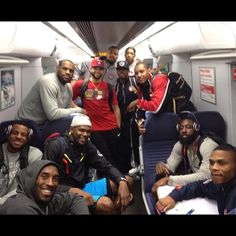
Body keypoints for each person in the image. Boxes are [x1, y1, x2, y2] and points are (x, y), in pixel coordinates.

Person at [43, 114, 133, 214]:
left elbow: (105, 166)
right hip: (62, 193)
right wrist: (74, 191)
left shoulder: (86, 145)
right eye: (81, 130)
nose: (85, 134)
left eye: (88, 131)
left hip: (82, 188)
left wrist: (122, 181)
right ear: (71, 129)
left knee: (127, 181)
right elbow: (45, 181)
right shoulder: (56, 145)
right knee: (106, 204)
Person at [151, 111, 219, 199]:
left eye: (188, 127)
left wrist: (170, 180)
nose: (183, 130)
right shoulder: (181, 145)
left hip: (212, 186)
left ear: (196, 128)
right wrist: (162, 165)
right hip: (197, 186)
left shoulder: (207, 145)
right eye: (181, 127)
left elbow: (206, 176)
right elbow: (170, 167)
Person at [72, 59, 124, 174]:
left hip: (111, 127)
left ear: (103, 71)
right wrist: (80, 110)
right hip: (94, 129)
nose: (97, 71)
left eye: (100, 69)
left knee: (117, 156)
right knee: (105, 157)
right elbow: (69, 99)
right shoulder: (81, 85)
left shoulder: (109, 87)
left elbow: (116, 107)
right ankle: (114, 181)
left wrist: (118, 127)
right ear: (90, 69)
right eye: (95, 68)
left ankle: (118, 180)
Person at [156, 144, 236, 215]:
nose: (214, 167)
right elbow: (199, 186)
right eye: (211, 163)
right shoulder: (220, 185)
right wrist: (173, 196)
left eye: (222, 163)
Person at [0, 160, 89, 214]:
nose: (51, 183)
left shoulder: (40, 199)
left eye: (55, 178)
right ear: (31, 179)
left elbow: (75, 199)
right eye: (44, 176)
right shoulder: (21, 208)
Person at [16, 59, 85, 129]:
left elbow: (67, 107)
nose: (68, 72)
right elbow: (52, 114)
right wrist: (79, 110)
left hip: (45, 123)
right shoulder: (48, 82)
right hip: (27, 124)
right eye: (65, 69)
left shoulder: (68, 87)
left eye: (71, 71)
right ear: (57, 68)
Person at [0, 119, 42, 205]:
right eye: (15, 133)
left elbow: (26, 186)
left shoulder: (34, 154)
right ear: (8, 134)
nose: (18, 137)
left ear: (27, 139)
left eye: (23, 135)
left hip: (15, 202)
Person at [114, 60, 140, 174]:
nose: (122, 72)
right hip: (122, 120)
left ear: (128, 71)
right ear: (117, 72)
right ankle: (126, 169)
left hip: (134, 119)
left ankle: (137, 166)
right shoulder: (115, 86)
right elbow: (114, 105)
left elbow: (144, 97)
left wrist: (135, 102)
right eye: (119, 70)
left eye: (124, 70)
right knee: (123, 144)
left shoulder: (134, 81)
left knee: (134, 143)